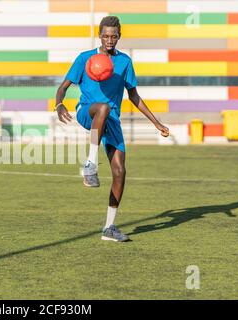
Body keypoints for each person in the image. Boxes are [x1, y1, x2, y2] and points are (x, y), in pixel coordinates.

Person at [55, 16, 170, 242]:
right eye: (106, 36)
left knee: (120, 172)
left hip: (112, 122)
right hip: (88, 112)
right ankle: (90, 164)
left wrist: (156, 123)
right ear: (100, 35)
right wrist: (59, 104)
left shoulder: (124, 62)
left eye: (114, 36)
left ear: (119, 36)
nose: (110, 40)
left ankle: (109, 228)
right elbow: (63, 88)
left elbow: (134, 96)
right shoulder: (85, 58)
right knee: (104, 107)